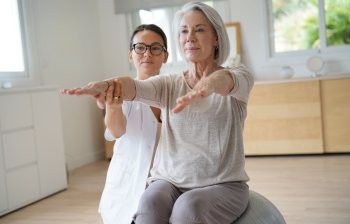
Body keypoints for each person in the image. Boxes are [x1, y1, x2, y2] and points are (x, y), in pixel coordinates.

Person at [62, 2, 254, 224]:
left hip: (222, 184)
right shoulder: (169, 84)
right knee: (149, 202)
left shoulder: (240, 77)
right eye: (184, 31)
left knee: (187, 208)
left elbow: (225, 81)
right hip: (170, 182)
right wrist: (105, 85)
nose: (190, 37)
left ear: (217, 37)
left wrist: (207, 85)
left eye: (199, 29)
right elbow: (133, 86)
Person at [99, 24, 168, 224]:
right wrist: (112, 107)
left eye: (155, 48)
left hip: (164, 184)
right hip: (128, 186)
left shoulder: (173, 94)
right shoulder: (123, 94)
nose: (147, 53)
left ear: (165, 55)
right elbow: (116, 131)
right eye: (140, 47)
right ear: (131, 55)